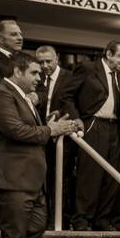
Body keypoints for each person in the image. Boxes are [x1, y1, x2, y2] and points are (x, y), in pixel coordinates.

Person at [0, 52, 79, 238]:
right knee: (15, 236)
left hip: (32, 180)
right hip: (13, 178)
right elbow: (15, 130)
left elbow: (31, 128)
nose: (39, 78)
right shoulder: (2, 94)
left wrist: (49, 124)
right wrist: (49, 131)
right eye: (33, 73)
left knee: (36, 226)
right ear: (17, 72)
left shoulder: (23, 97)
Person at [58, 40, 120, 230]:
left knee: (111, 176)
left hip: (116, 129)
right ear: (108, 54)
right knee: (90, 174)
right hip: (94, 125)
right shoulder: (88, 68)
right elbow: (66, 95)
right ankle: (81, 219)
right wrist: (77, 118)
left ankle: (101, 219)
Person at [34, 46, 73, 226]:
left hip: (61, 137)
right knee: (41, 178)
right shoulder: (35, 77)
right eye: (41, 62)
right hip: (39, 135)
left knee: (60, 179)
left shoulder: (70, 77)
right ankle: (41, 219)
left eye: (48, 61)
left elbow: (74, 103)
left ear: (57, 58)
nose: (44, 66)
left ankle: (59, 220)